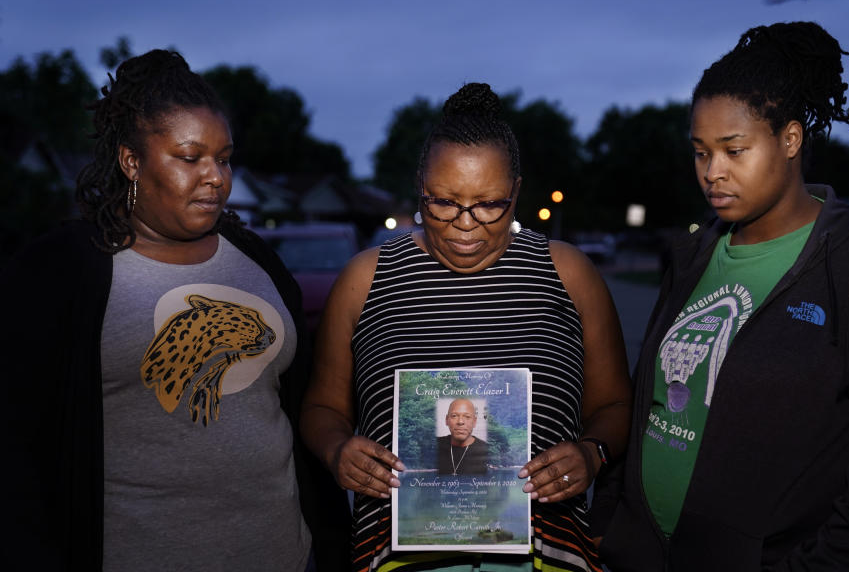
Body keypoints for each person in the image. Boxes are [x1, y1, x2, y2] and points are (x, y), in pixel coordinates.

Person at [590, 21, 849, 571]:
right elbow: (650, 401)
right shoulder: (693, 255)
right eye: (700, 152)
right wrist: (610, 528)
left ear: (790, 138)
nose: (713, 173)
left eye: (735, 150)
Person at [0, 50, 350, 571]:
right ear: (132, 160)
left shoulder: (258, 261)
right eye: (190, 158)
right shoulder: (58, 273)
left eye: (225, 158)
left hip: (282, 556)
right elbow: (15, 453)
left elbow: (299, 405)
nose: (215, 177)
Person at [302, 82, 632, 572]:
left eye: (489, 203)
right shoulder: (365, 279)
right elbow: (322, 406)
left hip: (547, 558)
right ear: (420, 186)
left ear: (516, 192)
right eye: (444, 202)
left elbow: (615, 405)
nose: (465, 223)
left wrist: (592, 453)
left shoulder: (567, 274)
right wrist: (336, 451)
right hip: (399, 559)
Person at [436, 398, 490, 475]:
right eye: (454, 416)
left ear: (474, 422)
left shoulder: (487, 450)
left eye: (467, 417)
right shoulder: (434, 445)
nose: (460, 422)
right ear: (447, 420)